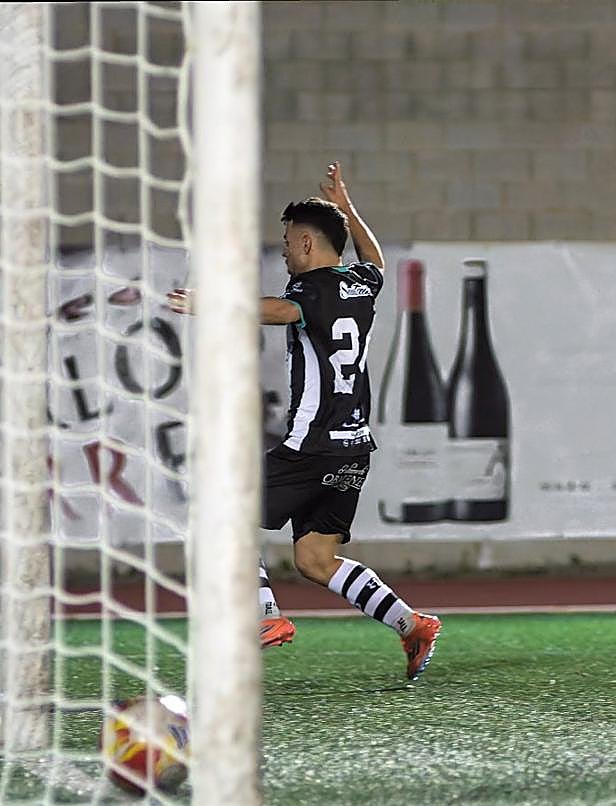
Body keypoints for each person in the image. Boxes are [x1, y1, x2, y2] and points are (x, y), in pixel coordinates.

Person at [168, 162, 441, 680]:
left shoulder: (310, 291)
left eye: (290, 242)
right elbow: (375, 259)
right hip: (354, 448)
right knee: (316, 559)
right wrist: (349, 209)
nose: (287, 251)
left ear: (310, 246)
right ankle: (412, 624)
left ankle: (265, 616)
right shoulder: (363, 284)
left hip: (312, 446)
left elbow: (275, 311)